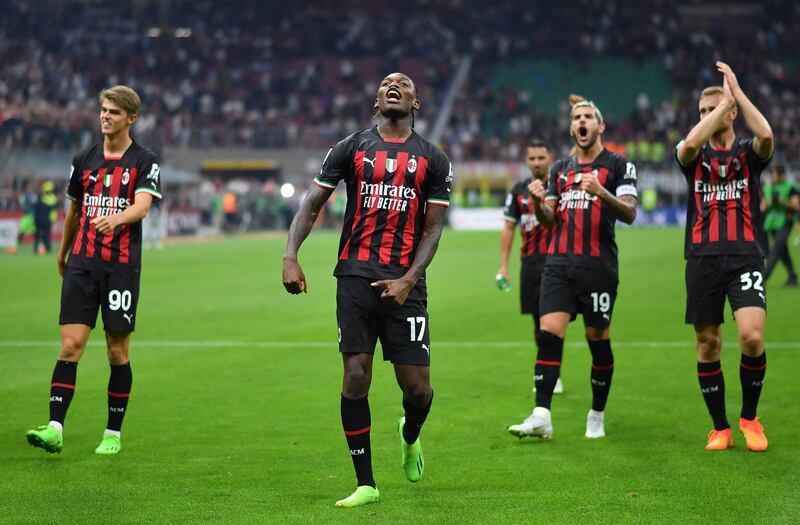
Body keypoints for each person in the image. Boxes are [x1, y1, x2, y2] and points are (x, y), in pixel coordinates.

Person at [282, 72, 452, 508]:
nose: (394, 85)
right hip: (355, 275)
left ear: (416, 103)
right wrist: (290, 255)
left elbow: (433, 230)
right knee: (356, 374)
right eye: (386, 82)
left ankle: (409, 435)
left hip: (406, 283)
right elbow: (312, 204)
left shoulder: (433, 159)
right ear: (376, 99)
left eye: (405, 84)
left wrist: (409, 279)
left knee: (417, 390)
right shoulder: (351, 148)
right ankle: (366, 483)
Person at [25, 85, 162, 455]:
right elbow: (74, 210)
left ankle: (112, 433)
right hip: (82, 264)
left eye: (114, 112)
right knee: (70, 345)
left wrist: (114, 219)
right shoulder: (83, 159)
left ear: (130, 118)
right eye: (103, 110)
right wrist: (63, 250)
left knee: (117, 353)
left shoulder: (144, 161)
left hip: (120, 268)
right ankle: (55, 428)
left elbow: (143, 207)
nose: (105, 116)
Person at [509, 99, 638, 440]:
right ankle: (542, 414)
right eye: (576, 118)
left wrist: (601, 193)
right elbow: (549, 220)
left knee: (597, 340)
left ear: (600, 126)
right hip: (558, 265)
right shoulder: (560, 169)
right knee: (548, 334)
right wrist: (538, 201)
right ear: (571, 129)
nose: (582, 122)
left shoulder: (619, 165)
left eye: (588, 117)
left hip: (598, 267)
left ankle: (596, 413)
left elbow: (629, 213)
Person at [675, 62, 773, 451]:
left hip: (745, 256)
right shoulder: (692, 158)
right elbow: (686, 146)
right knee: (708, 344)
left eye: (714, 110)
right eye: (701, 112)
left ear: (733, 112)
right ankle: (720, 427)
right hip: (702, 260)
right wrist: (719, 104)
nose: (706, 117)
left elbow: (765, 134)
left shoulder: (748, 154)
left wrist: (737, 93)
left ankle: (750, 418)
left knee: (751, 337)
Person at [497, 139, 564, 407]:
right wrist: (504, 265)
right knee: (538, 323)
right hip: (531, 264)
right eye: (532, 158)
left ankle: (553, 371)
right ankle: (551, 371)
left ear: (550, 159)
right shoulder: (518, 191)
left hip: (558, 262)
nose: (536, 162)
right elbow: (509, 228)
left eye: (541, 157)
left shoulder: (559, 187)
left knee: (555, 323)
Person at [762, 165, 799, 286]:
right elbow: (762, 208)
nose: (773, 176)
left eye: (775, 174)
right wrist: (768, 204)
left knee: (775, 250)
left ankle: (763, 277)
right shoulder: (768, 188)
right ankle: (792, 277)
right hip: (772, 224)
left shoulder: (791, 187)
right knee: (783, 251)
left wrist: (781, 202)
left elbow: (795, 205)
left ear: (782, 175)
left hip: (785, 222)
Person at [33, 180, 57, 255]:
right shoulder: (53, 197)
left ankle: (38, 248)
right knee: (46, 235)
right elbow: (53, 210)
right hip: (47, 219)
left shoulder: (42, 198)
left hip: (43, 219)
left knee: (40, 235)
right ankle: (47, 248)